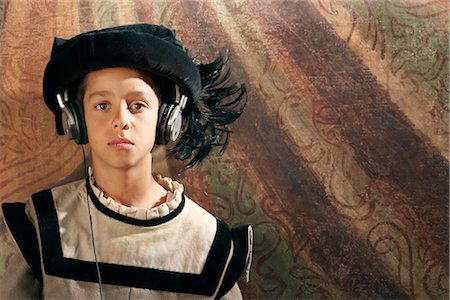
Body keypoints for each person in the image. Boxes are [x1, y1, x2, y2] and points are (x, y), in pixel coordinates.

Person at [0, 24, 252, 299]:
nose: (120, 120)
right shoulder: (36, 225)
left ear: (167, 119)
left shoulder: (210, 244)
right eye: (102, 105)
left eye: (137, 105)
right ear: (76, 120)